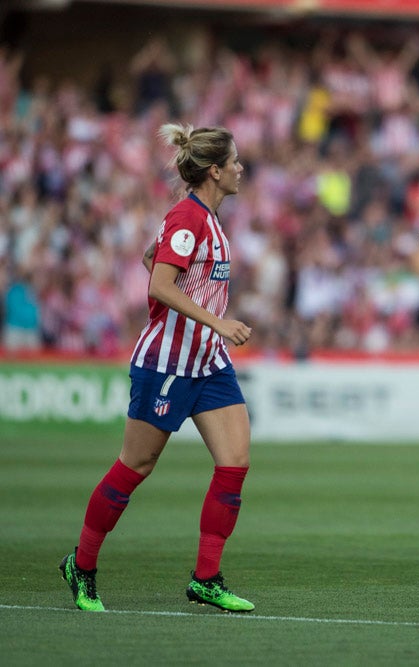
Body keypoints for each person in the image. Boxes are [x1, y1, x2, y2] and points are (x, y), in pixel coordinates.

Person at [59, 123, 256, 612]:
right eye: (234, 161)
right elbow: (160, 286)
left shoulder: (205, 218)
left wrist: (163, 265)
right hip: (167, 364)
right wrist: (219, 322)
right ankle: (81, 565)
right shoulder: (190, 217)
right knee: (136, 466)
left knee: (234, 463)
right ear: (214, 170)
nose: (240, 168)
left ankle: (206, 578)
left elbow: (158, 261)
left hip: (208, 363)